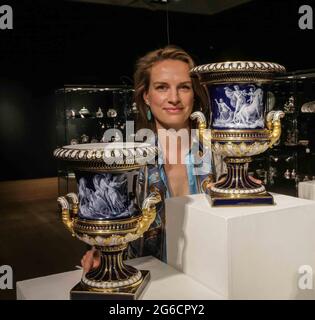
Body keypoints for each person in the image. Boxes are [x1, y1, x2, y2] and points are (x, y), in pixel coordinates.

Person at [80, 45, 259, 271]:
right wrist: (100, 253)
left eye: (183, 87)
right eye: (162, 87)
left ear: (194, 93)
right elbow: (112, 220)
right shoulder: (128, 159)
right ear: (146, 96)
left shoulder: (220, 152)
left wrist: (247, 197)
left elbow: (236, 220)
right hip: (148, 277)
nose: (173, 98)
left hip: (213, 270)